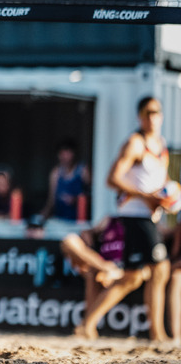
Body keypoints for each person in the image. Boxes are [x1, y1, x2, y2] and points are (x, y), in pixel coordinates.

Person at [73, 96, 172, 341]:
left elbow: (157, 184)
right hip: (133, 217)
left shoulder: (161, 145)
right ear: (140, 117)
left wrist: (165, 198)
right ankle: (157, 334)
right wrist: (146, 197)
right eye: (148, 112)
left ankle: (87, 323)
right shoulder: (135, 143)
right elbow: (112, 179)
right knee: (160, 269)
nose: (152, 117)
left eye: (156, 112)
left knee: (133, 278)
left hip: (148, 216)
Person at [40, 139, 91, 222]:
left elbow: (93, 195)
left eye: (67, 153)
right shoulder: (55, 173)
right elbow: (51, 200)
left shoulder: (83, 171)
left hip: (79, 221)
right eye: (62, 154)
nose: (65, 157)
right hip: (60, 219)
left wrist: (76, 200)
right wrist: (43, 215)